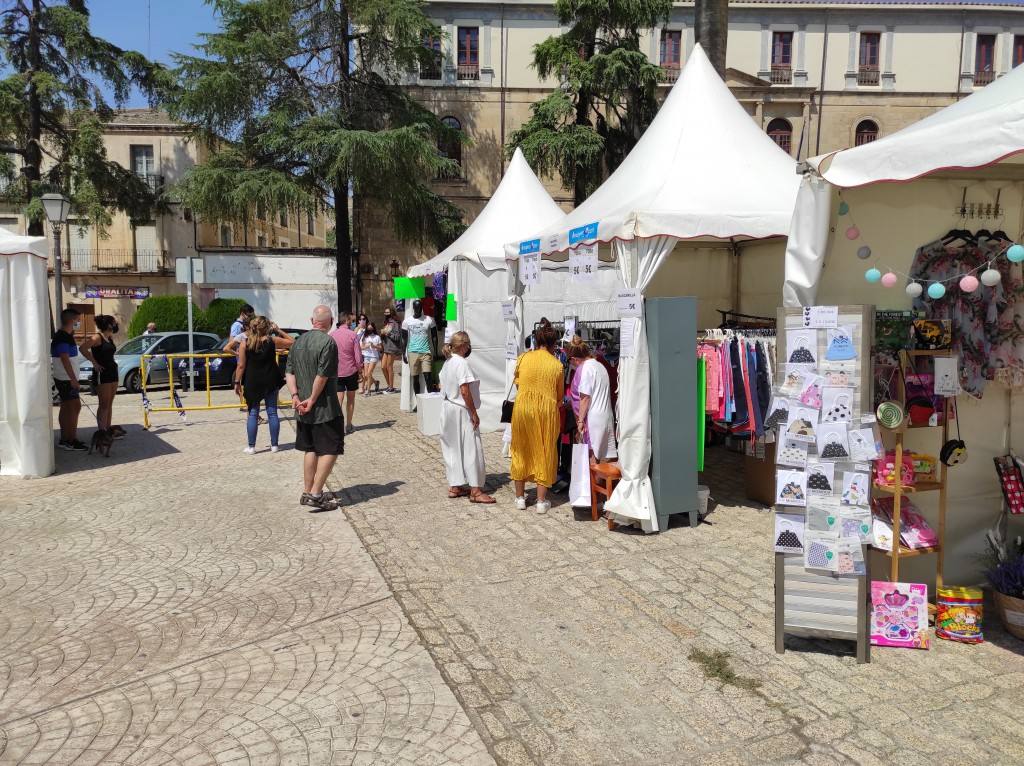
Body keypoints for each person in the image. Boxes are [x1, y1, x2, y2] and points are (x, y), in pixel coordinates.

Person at [286, 304, 345, 511]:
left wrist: (295, 396)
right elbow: (323, 375)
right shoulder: (328, 342)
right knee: (331, 447)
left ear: (312, 321)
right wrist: (311, 399)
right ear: (330, 322)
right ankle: (316, 493)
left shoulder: (297, 342)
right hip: (324, 407)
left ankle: (307, 490)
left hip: (301, 407)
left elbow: (289, 372)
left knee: (310, 448)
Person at [510, 324, 564, 513]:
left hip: (523, 407)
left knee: (520, 447)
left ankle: (519, 498)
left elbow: (518, 384)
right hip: (546, 410)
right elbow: (559, 397)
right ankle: (541, 501)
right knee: (545, 449)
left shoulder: (523, 358)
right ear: (554, 343)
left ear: (537, 340)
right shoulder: (557, 365)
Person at [439, 332, 494, 504]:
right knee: (471, 447)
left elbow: (442, 384)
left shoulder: (448, 362)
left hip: (447, 407)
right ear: (464, 345)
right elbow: (464, 390)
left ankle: (455, 485)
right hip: (460, 409)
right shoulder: (461, 363)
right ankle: (475, 490)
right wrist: (474, 412)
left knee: (453, 448)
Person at [235, 316, 294, 454]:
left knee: (253, 413)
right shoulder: (271, 340)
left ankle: (251, 447)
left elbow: (241, 365)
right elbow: (292, 342)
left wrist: (237, 382)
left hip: (252, 381)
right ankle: (274, 446)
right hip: (271, 379)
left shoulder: (245, 342)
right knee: (272, 412)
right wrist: (278, 330)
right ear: (267, 327)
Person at [567, 336, 617, 462]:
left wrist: (579, 422)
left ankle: (591, 482)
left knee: (591, 458)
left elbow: (585, 397)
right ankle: (601, 482)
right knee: (606, 459)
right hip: (607, 416)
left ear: (574, 359)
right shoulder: (600, 366)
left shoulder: (585, 368)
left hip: (593, 419)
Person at [79, 315, 125, 439]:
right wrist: (94, 363)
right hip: (102, 373)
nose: (116, 324)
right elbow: (83, 348)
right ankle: (102, 432)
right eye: (114, 322)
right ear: (108, 324)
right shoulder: (97, 337)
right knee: (103, 404)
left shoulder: (109, 337)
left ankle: (108, 430)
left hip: (112, 371)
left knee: (109, 403)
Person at [51, 308, 87, 451]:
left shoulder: (66, 335)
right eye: (78, 320)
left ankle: (65, 438)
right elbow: (64, 358)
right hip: (66, 379)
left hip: (66, 378)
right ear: (72, 320)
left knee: (66, 407)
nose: (79, 322)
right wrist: (73, 379)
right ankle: (70, 440)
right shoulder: (62, 337)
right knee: (74, 407)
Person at [329, 316, 362, 434]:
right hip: (351, 371)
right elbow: (357, 356)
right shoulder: (353, 335)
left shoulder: (332, 335)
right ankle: (348, 425)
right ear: (347, 321)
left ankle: (338, 426)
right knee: (351, 398)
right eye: (351, 321)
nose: (352, 323)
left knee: (338, 400)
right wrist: (360, 370)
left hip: (337, 371)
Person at [402, 299, 436, 392]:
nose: (418, 309)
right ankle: (418, 402)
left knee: (428, 376)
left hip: (426, 352)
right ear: (413, 308)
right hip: (412, 352)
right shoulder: (407, 321)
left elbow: (434, 336)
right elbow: (404, 338)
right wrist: (403, 353)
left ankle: (430, 399)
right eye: (416, 308)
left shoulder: (429, 319)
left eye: (420, 307)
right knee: (415, 378)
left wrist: (435, 352)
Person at [380, 307, 403, 393]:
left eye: (388, 312)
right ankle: (389, 385)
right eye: (385, 312)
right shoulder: (386, 323)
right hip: (386, 348)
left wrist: (387, 333)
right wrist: (382, 334)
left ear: (391, 313)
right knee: (383, 367)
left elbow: (397, 337)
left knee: (389, 366)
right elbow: (385, 335)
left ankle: (391, 387)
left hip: (392, 347)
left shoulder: (395, 323)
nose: (386, 314)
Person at [360, 322, 383, 396]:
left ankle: (368, 391)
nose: (370, 329)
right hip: (366, 356)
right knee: (366, 375)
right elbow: (362, 347)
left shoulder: (377, 337)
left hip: (374, 356)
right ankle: (376, 382)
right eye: (368, 328)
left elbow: (381, 348)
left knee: (369, 373)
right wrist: (366, 346)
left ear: (373, 328)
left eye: (371, 328)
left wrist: (374, 346)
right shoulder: (365, 337)